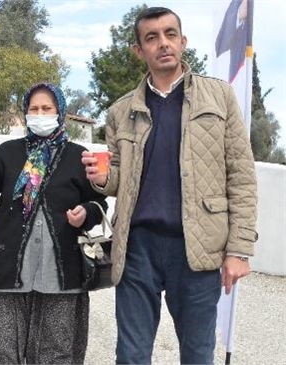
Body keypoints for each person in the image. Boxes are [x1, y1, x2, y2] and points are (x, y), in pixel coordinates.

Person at [81, 7, 258, 364]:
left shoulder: (219, 97)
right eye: (152, 37)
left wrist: (239, 250)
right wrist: (103, 180)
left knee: (196, 354)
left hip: (198, 247)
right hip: (136, 248)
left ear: (182, 41)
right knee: (131, 355)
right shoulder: (119, 112)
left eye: (170, 34)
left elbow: (241, 174)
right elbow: (120, 179)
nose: (163, 43)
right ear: (139, 50)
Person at [0, 82, 107, 364]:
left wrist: (85, 213)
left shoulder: (79, 156)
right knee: (2, 352)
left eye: (46, 108)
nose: (39, 114)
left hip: (61, 275)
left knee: (56, 353)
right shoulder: (8, 153)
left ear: (60, 112)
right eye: (33, 109)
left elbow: (99, 204)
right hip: (9, 270)